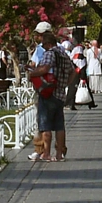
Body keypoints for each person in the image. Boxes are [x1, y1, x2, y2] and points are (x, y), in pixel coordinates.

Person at [27, 24, 72, 162]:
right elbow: (73, 71)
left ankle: (45, 153)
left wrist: (32, 74)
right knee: (59, 125)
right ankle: (59, 154)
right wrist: (65, 84)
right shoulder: (62, 52)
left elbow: (44, 68)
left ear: (47, 43)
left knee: (45, 124)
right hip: (59, 93)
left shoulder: (49, 53)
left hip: (48, 93)